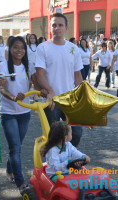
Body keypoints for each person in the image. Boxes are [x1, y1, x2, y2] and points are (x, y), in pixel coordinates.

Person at [0, 36, 44, 195]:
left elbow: (36, 85)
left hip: (25, 112)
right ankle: (21, 183)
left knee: (16, 147)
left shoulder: (28, 66)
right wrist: (13, 97)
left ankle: (10, 170)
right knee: (15, 148)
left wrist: (39, 81)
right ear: (9, 49)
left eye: (22, 48)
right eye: (15, 47)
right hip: (8, 113)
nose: (19, 51)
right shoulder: (3, 66)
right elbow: (1, 89)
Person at [35, 13, 83, 147]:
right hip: (52, 100)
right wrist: (50, 91)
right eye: (54, 25)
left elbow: (77, 76)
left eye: (60, 25)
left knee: (77, 132)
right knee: (54, 135)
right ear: (50, 28)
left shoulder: (73, 48)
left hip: (70, 99)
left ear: (66, 28)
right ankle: (55, 162)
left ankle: (69, 158)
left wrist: (81, 96)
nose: (57, 28)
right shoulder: (43, 47)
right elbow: (40, 74)